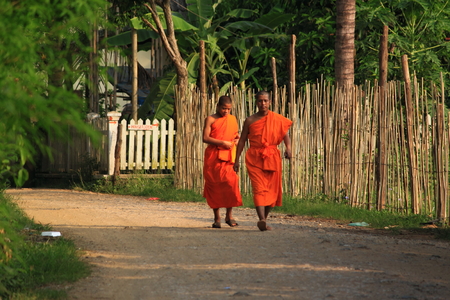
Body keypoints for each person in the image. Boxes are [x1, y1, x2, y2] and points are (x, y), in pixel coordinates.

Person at [233, 91, 292, 231]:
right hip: (254, 157)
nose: (263, 103)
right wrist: (236, 160)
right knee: (259, 188)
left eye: (265, 101)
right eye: (260, 101)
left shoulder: (277, 119)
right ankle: (261, 219)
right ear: (256, 102)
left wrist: (288, 148)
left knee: (272, 190)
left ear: (270, 102)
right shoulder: (250, 120)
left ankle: (264, 220)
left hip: (272, 156)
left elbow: (285, 135)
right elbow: (242, 140)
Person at [203, 96, 243, 228]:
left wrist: (237, 140)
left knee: (231, 184)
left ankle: (229, 215)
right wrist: (221, 143)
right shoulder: (211, 119)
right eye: (224, 108)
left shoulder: (232, 119)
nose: (226, 111)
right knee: (215, 185)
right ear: (218, 106)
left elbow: (236, 135)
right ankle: (217, 218)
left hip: (229, 157)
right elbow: (205, 138)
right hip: (213, 157)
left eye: (229, 109)